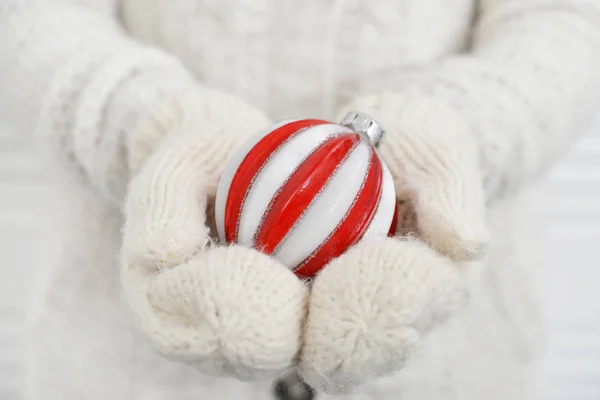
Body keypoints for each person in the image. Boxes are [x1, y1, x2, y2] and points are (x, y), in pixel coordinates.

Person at [1, 0, 599, 399]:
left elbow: (566, 20)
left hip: (454, 364)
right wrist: (149, 124)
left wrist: (453, 130)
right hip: (118, 360)